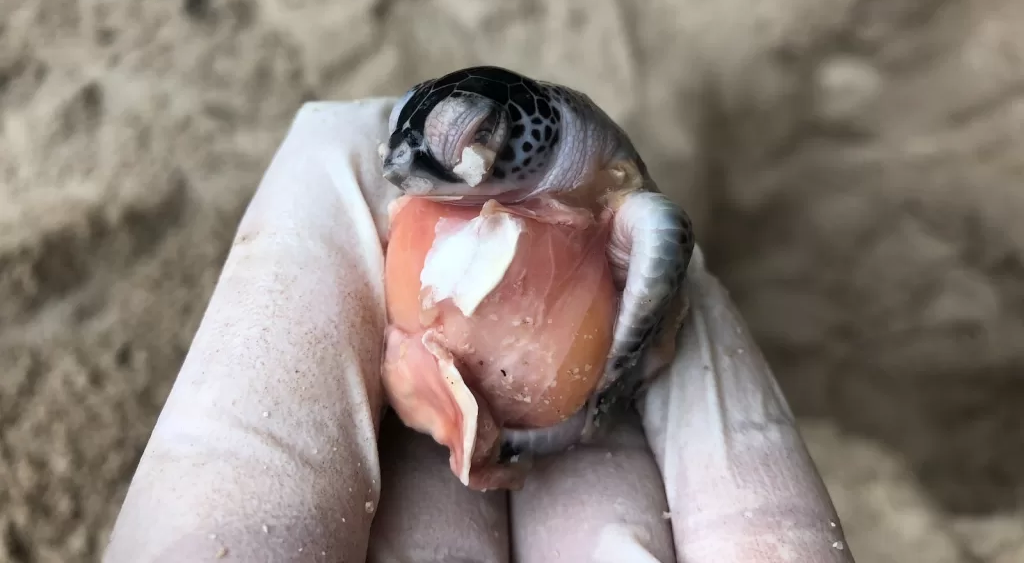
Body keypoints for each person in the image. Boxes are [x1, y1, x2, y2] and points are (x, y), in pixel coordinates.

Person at [103, 99, 855, 563]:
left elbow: (665, 233)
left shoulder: (621, 202)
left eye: (461, 135)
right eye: (407, 148)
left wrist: (616, 368)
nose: (412, 169)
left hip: (582, 394)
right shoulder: (447, 194)